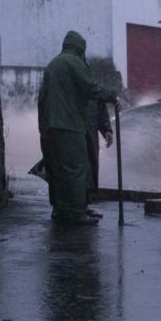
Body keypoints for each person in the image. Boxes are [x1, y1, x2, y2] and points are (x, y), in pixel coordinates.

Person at [38, 31, 117, 226]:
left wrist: (43, 127)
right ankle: (75, 212)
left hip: (51, 127)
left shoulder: (53, 65)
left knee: (58, 169)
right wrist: (112, 96)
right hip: (69, 126)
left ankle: (62, 209)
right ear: (80, 48)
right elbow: (92, 89)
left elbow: (41, 99)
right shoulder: (74, 63)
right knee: (76, 168)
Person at [84, 99, 114, 219]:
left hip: (89, 132)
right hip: (73, 130)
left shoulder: (92, 84)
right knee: (75, 168)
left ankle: (83, 204)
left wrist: (106, 129)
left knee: (90, 167)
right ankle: (67, 206)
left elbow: (99, 104)